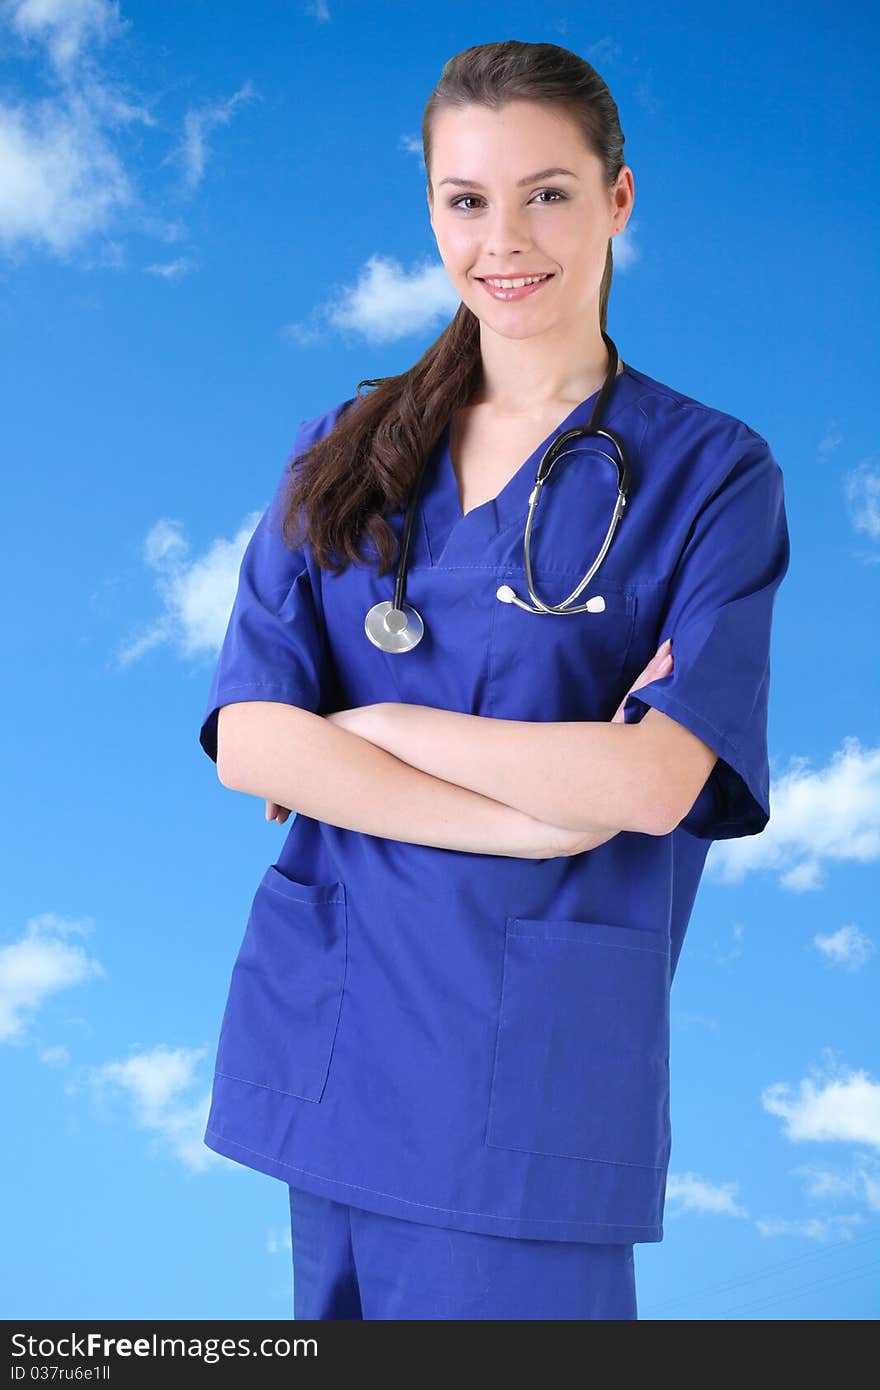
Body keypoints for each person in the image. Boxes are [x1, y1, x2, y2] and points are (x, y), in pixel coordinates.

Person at [197, 40, 791, 1321]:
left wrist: (372, 725)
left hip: (527, 1092)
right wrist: (536, 818)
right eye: (467, 199)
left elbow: (651, 779)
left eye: (549, 193)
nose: (504, 238)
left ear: (618, 198)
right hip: (335, 1055)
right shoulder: (344, 454)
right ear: (430, 208)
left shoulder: (712, 478)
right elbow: (251, 738)